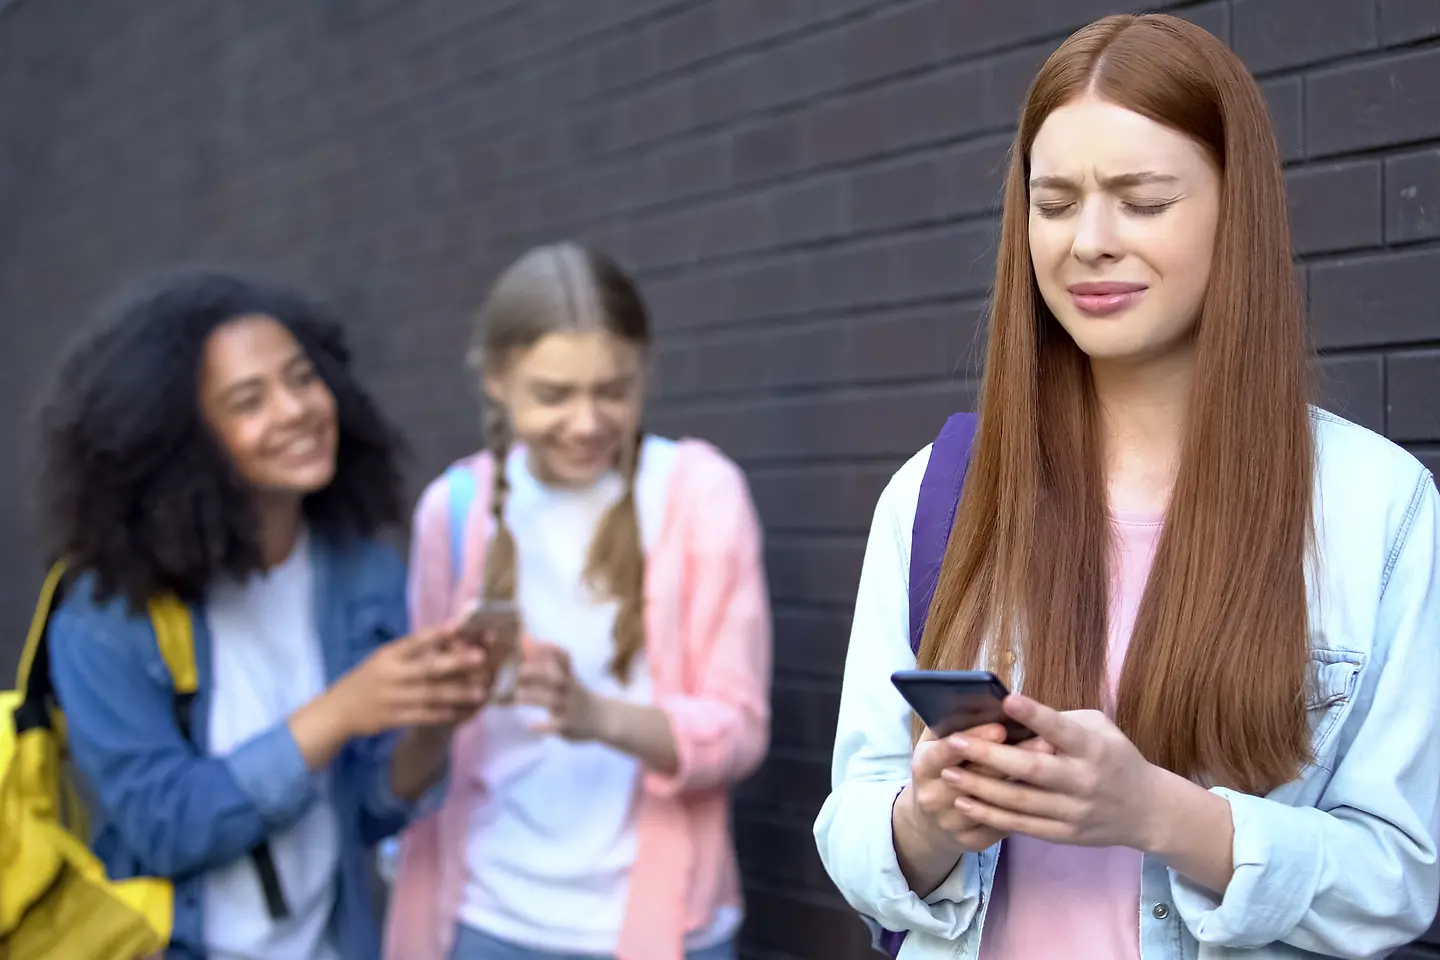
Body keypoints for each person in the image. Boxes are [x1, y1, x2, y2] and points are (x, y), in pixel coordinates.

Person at [815, 13, 1440, 960]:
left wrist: (1161, 814)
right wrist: (930, 821)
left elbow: (1397, 882)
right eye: (1055, 202)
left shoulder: (1374, 508)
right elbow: (850, 824)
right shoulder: (939, 492)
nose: (1089, 243)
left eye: (1142, 200)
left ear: (1240, 209)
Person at [40, 270, 490, 960]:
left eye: (303, 379)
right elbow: (165, 827)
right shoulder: (109, 615)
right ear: (182, 441)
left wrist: (435, 723)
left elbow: (368, 808)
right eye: (249, 401)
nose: (296, 410)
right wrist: (338, 713)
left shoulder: (359, 572)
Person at [382, 242, 772, 960]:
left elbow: (739, 732)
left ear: (644, 369)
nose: (588, 422)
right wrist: (443, 705)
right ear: (496, 381)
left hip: (663, 924)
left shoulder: (699, 493)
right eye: (554, 395)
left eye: (613, 390)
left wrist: (594, 716)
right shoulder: (455, 511)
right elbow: (408, 763)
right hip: (486, 919)